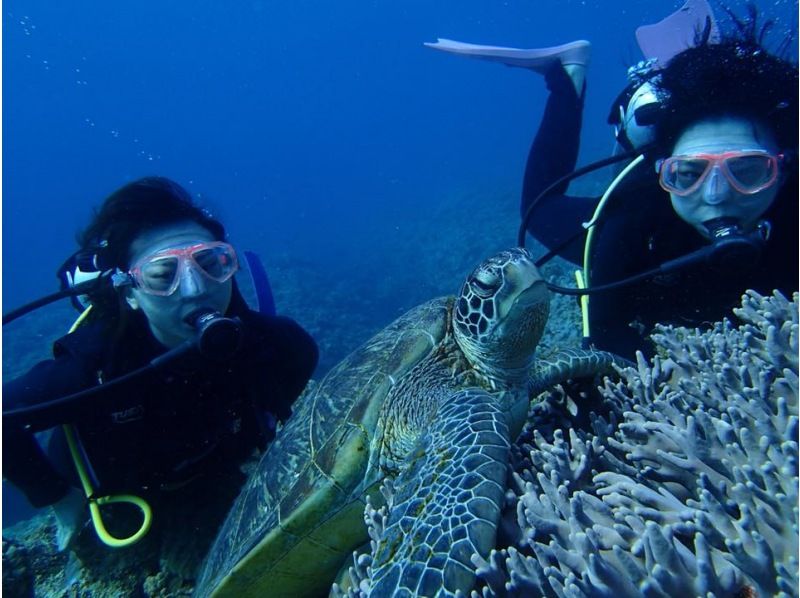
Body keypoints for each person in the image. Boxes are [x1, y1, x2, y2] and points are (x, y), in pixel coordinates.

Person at [426, 1, 798, 358]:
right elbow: (608, 345)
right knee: (537, 208)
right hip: (650, 229)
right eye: (688, 173)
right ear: (661, 172)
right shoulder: (630, 226)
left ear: (781, 172)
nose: (716, 196)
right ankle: (565, 78)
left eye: (748, 171)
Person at [2, 177, 318, 555]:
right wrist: (54, 495)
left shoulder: (278, 344)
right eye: (163, 275)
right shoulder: (94, 369)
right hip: (118, 498)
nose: (195, 288)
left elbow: (301, 362)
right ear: (130, 293)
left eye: (210, 263)